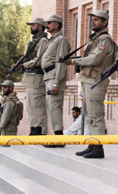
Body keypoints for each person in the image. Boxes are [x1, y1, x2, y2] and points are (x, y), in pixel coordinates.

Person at [66, 10, 116, 158]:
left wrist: (74, 61)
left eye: (97, 20)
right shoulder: (95, 39)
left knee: (96, 115)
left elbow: (94, 59)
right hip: (88, 80)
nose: (93, 22)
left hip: (96, 80)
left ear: (105, 22)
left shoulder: (104, 41)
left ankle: (98, 148)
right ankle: (92, 144)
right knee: (87, 115)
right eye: (92, 19)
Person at [41, 14, 71, 146]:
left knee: (54, 106)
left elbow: (61, 62)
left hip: (54, 76)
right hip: (48, 75)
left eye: (50, 23)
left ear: (57, 25)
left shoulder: (61, 40)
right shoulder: (52, 40)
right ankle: (56, 137)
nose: (46, 25)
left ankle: (59, 139)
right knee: (51, 107)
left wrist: (56, 83)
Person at [21, 17, 49, 136]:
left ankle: (39, 130)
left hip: (37, 77)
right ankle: (33, 128)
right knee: (30, 106)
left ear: (40, 26)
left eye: (34, 25)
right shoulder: (32, 42)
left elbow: (39, 60)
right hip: (30, 77)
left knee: (37, 106)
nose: (31, 27)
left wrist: (24, 65)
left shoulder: (43, 41)